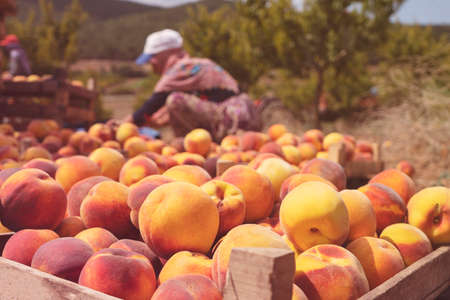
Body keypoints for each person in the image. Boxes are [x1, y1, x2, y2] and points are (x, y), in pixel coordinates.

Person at [126, 29, 261, 142]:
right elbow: (211, 101)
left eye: (152, 57)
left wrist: (122, 126)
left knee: (175, 100)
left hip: (232, 124)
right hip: (250, 120)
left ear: (166, 54)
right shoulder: (201, 64)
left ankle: (188, 145)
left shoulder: (178, 69)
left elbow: (147, 110)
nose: (152, 64)